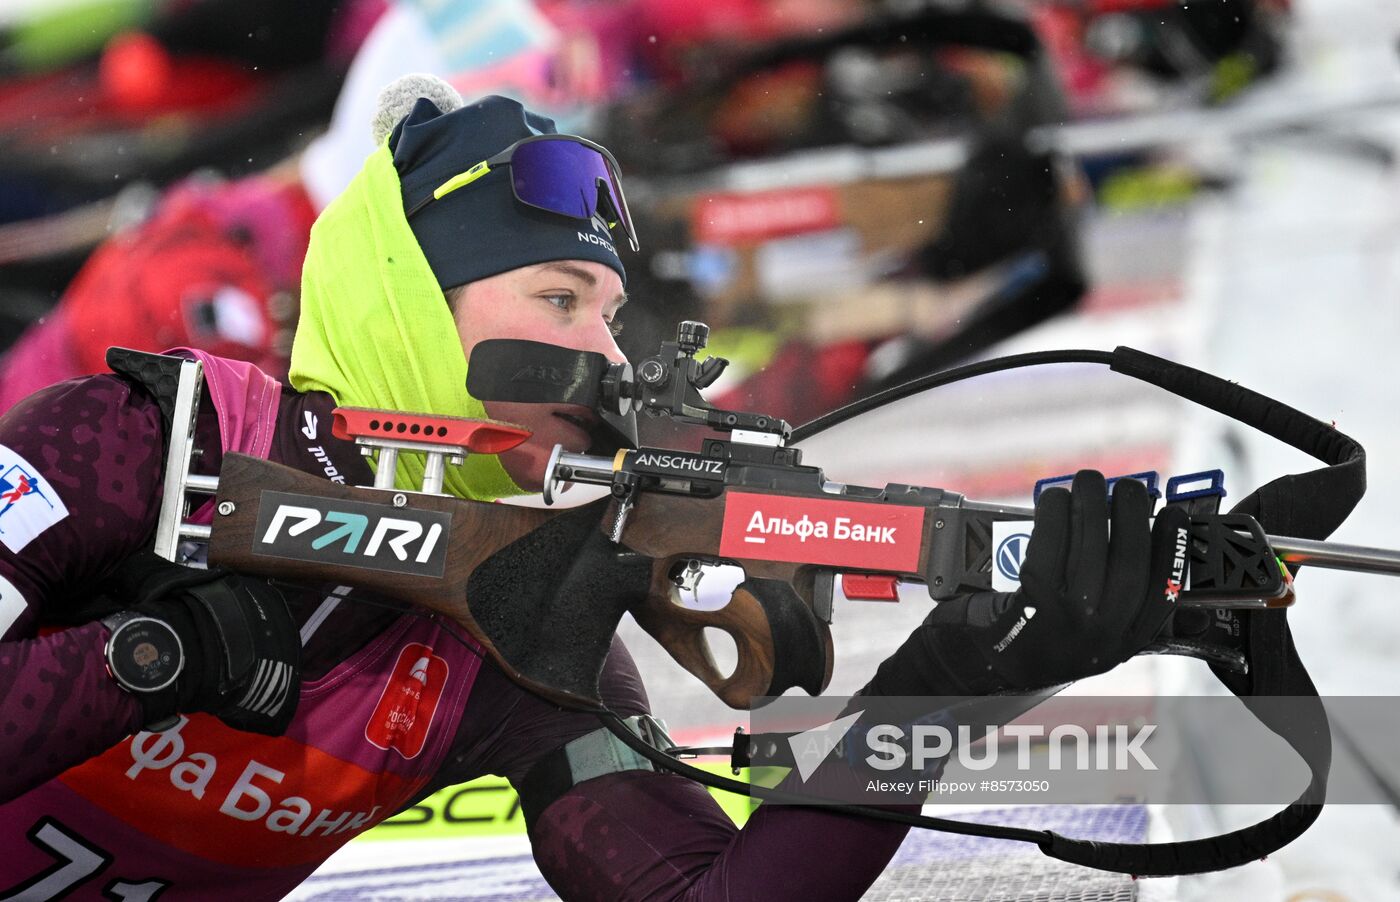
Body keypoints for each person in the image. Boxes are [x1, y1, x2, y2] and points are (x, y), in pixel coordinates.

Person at [0, 81, 1183, 899]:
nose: (609, 358)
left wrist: (946, 686)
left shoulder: (520, 628)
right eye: (560, 302)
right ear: (414, 303)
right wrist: (164, 649)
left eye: (612, 318)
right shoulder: (140, 444)